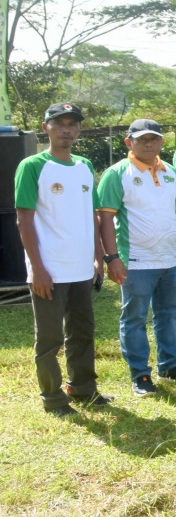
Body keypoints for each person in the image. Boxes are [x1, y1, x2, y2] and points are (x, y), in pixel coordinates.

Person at [15, 102, 109, 416]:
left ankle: (84, 389)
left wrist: (99, 258)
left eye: (72, 124)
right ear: (46, 128)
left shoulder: (84, 166)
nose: (66, 129)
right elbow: (24, 221)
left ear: (79, 129)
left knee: (82, 333)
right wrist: (38, 268)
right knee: (51, 338)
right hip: (49, 270)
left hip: (81, 268)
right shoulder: (32, 166)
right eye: (59, 124)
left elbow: (92, 217)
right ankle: (53, 398)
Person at [98, 119, 176, 397]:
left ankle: (170, 365)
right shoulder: (117, 173)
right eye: (142, 139)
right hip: (136, 261)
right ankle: (140, 374)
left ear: (162, 142)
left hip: (170, 260)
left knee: (168, 315)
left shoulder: (170, 172)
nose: (149, 143)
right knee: (135, 318)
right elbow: (105, 218)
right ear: (129, 142)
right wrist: (112, 257)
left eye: (154, 139)